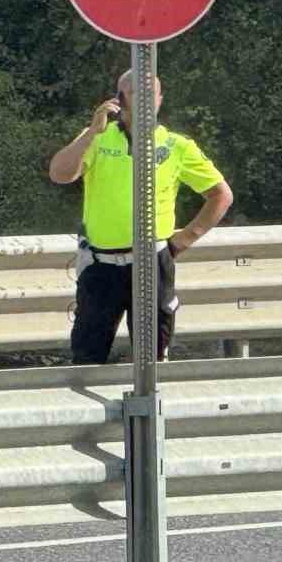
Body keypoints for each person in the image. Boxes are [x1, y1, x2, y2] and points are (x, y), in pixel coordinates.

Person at [48, 70, 233, 364]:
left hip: (151, 262)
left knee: (152, 360)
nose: (145, 100)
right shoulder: (98, 137)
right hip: (101, 265)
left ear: (160, 100)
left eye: (151, 93)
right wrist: (92, 132)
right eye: (136, 93)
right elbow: (59, 174)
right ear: (119, 100)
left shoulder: (176, 145)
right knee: (87, 356)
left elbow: (221, 195)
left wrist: (182, 240)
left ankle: (149, 409)